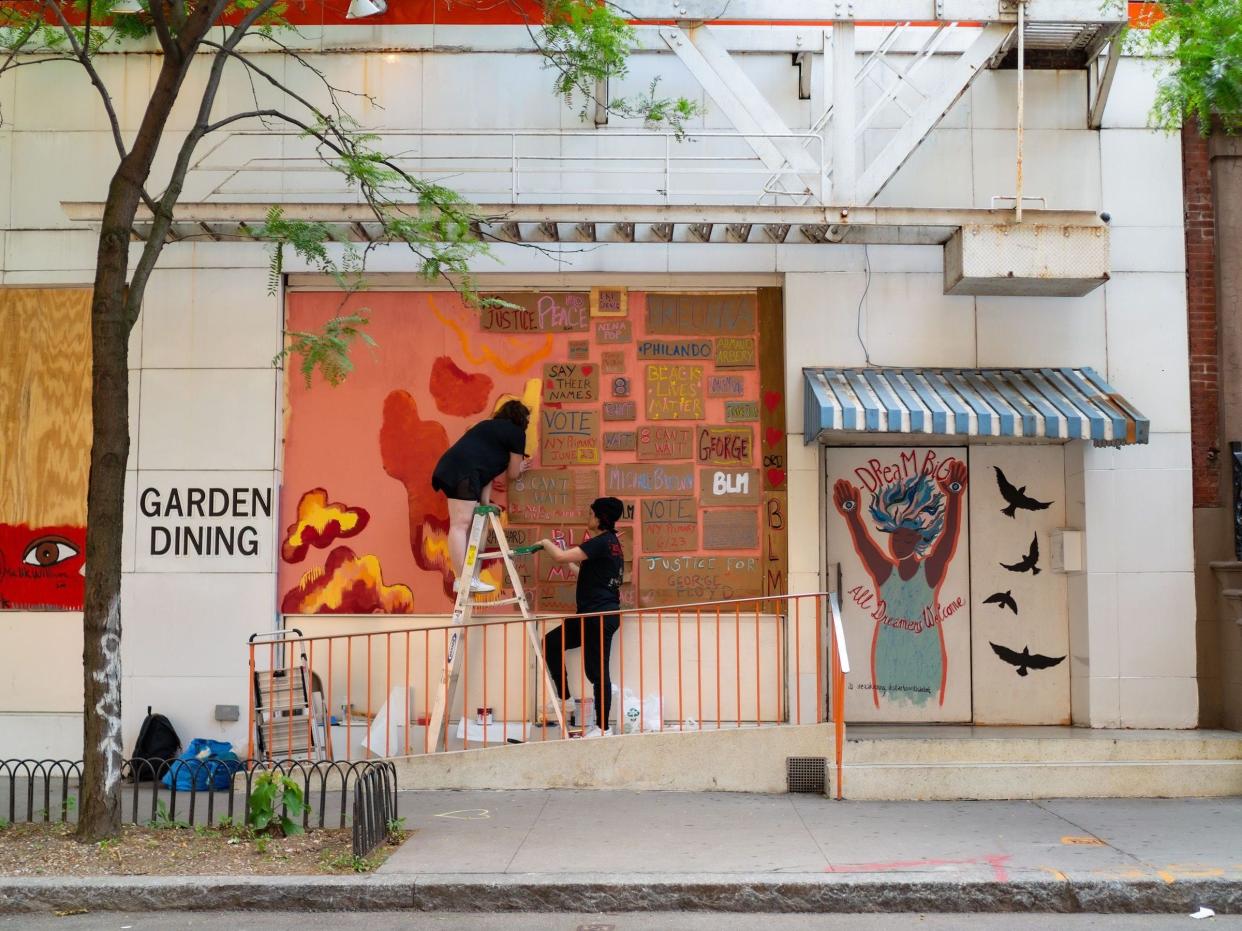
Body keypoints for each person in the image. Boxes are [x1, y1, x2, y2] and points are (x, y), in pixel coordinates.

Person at [832, 460, 967, 709]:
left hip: (925, 653)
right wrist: (851, 515)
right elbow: (864, 546)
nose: (897, 542)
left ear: (918, 539)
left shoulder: (930, 570)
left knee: (928, 704)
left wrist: (955, 497)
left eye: (905, 537)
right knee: (888, 702)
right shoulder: (886, 573)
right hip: (889, 654)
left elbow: (947, 541)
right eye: (894, 535)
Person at [538, 497, 625, 737]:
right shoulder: (611, 543)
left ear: (599, 518)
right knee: (551, 643)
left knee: (597, 672)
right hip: (591, 615)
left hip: (598, 616)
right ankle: (565, 699)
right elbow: (587, 572)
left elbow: (560, 557)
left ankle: (604, 728)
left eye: (590, 514)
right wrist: (571, 565)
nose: (588, 518)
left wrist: (546, 543)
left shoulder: (601, 542)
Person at [431, 400, 532, 593]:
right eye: (527, 418)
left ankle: (468, 578)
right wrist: (520, 467)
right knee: (460, 524)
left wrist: (484, 503)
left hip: (451, 467)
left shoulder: (486, 427)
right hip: (463, 472)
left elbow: (487, 469)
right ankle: (463, 579)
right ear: (521, 418)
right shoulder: (517, 433)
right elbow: (512, 473)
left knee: (462, 524)